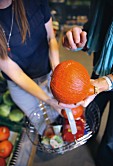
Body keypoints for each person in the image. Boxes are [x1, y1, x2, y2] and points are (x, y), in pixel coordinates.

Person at [62, 0, 113, 166]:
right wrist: (81, 38)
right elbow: (99, 29)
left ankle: (103, 163)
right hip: (102, 67)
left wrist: (105, 82)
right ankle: (88, 136)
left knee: (112, 137)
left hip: (104, 78)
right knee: (92, 110)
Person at [0, 0, 63, 135]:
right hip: (20, 86)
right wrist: (49, 100)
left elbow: (51, 38)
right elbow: (16, 74)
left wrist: (58, 75)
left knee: (58, 117)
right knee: (42, 125)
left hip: (47, 73)